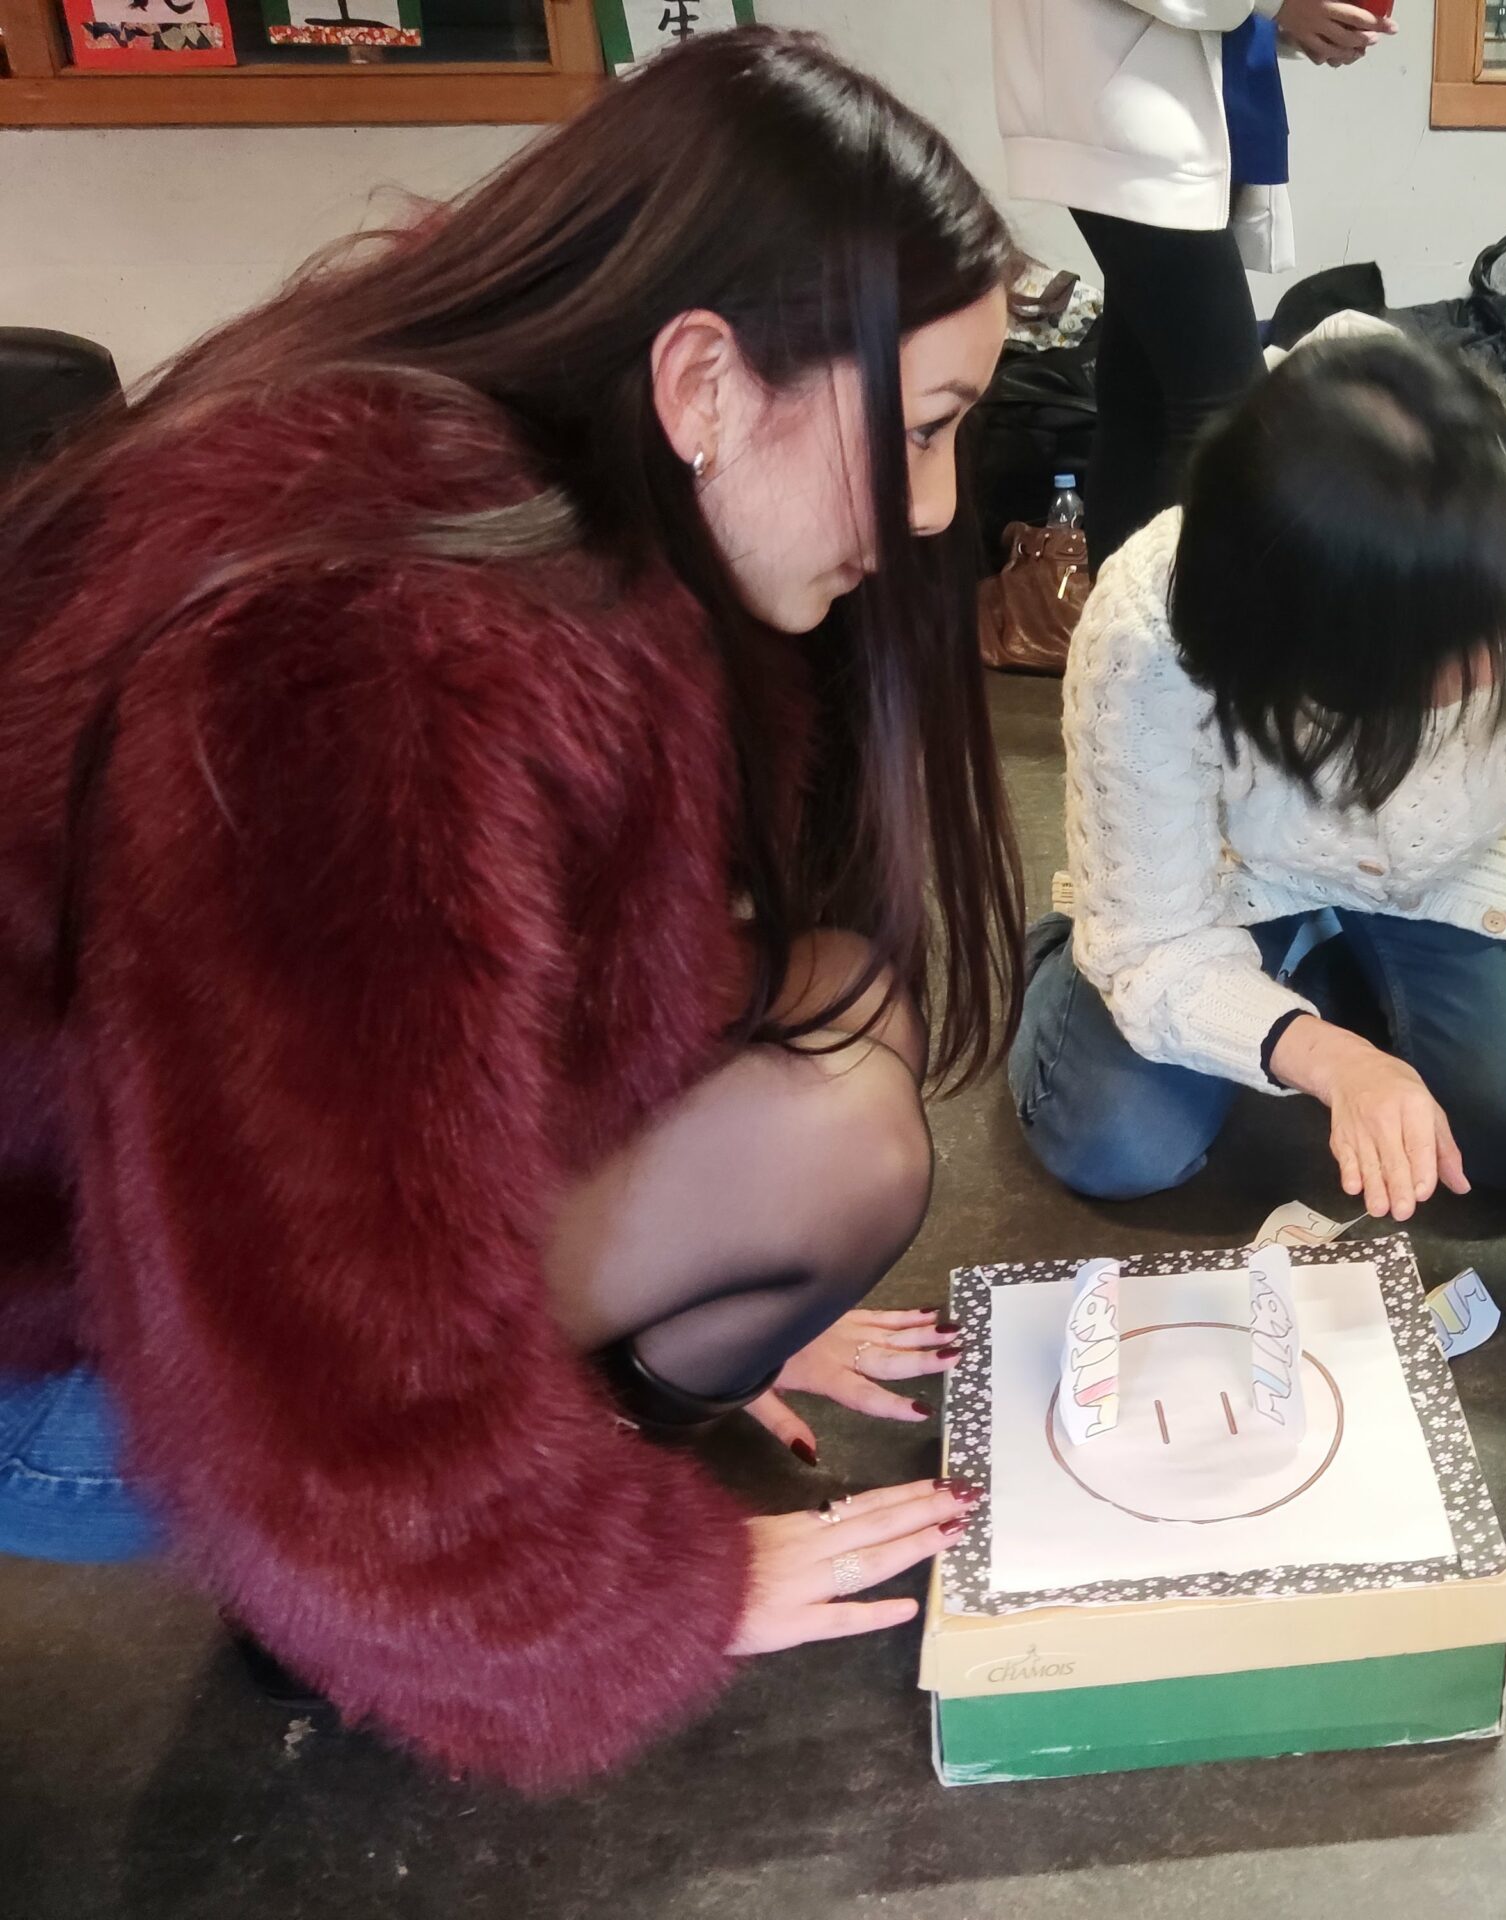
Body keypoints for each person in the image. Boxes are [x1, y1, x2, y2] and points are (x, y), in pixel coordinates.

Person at [0, 32, 1023, 1788]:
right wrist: (637, 1595)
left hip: (166, 1270)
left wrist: (673, 1257)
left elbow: (493, 1029)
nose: (935, 508)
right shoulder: (362, 661)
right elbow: (304, 1332)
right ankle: (345, 1613)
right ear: (702, 380)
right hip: (101, 1386)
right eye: (918, 429)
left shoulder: (515, 498)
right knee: (828, 1130)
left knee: (830, 1015)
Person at [1013, 330, 1506, 1338]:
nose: (1492, 661)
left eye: (1499, 612)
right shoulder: (1150, 623)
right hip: (1235, 872)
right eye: (1442, 656)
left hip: (1471, 856)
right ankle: (1078, 954)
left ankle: (1330, 969)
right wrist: (1329, 1058)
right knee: (1113, 1141)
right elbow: (1151, 939)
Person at [991, 0, 1391, 565]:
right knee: (1230, 416)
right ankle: (1214, 622)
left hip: (1175, 99)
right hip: (1131, 107)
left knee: (1144, 410)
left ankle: (1132, 618)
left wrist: (1294, 15)